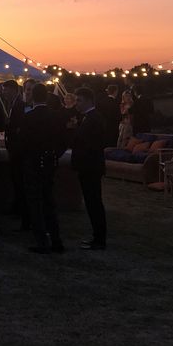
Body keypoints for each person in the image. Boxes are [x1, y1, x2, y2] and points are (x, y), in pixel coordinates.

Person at [21, 82, 65, 253]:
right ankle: (56, 238)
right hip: (49, 162)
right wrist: (54, 155)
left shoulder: (28, 118)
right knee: (49, 201)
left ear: (32, 96)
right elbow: (63, 141)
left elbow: (23, 142)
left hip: (33, 163)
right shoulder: (56, 117)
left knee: (35, 202)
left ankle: (41, 240)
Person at [70, 87, 107, 250]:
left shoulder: (93, 119)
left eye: (79, 100)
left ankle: (99, 239)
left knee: (94, 203)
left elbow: (91, 143)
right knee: (92, 202)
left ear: (88, 101)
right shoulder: (88, 118)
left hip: (90, 167)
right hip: (89, 166)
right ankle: (96, 236)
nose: (76, 103)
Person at [2, 80, 29, 230]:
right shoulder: (14, 103)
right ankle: (17, 206)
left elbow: (18, 128)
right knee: (16, 179)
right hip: (14, 148)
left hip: (17, 150)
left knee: (19, 180)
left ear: (13, 90)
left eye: (5, 90)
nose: (4, 93)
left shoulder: (19, 105)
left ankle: (19, 208)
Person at [96, 84, 122, 149]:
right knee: (112, 143)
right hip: (113, 125)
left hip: (104, 125)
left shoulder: (102, 101)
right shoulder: (116, 102)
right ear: (115, 91)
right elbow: (118, 115)